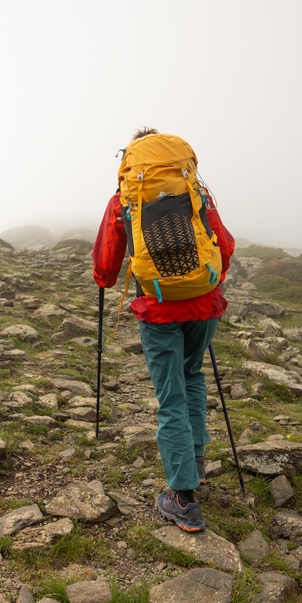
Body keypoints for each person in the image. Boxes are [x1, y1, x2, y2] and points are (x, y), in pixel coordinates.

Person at [92, 127, 234, 533]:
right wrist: (206, 283)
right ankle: (197, 460)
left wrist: (103, 280)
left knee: (170, 396)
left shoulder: (125, 200)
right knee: (193, 376)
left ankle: (183, 498)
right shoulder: (196, 192)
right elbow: (223, 245)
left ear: (131, 160)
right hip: (205, 305)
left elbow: (106, 260)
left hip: (158, 310)